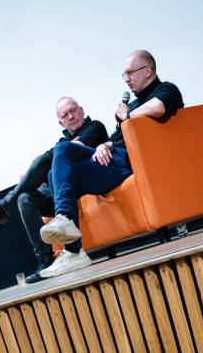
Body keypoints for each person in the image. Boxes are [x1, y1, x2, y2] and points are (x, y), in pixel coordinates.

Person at [39, 49, 184, 278]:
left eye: (130, 73)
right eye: (124, 74)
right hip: (110, 158)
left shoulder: (167, 90)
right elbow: (117, 138)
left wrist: (127, 116)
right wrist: (103, 145)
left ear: (148, 71)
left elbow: (158, 108)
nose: (126, 79)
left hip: (126, 164)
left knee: (62, 155)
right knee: (59, 160)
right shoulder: (132, 105)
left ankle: (70, 239)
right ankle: (72, 244)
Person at [0, 97, 107, 283]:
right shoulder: (62, 140)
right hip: (62, 191)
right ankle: (45, 260)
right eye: (65, 115)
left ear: (81, 110)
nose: (71, 116)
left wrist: (49, 159)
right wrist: (33, 176)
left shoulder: (95, 127)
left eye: (73, 110)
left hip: (87, 181)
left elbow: (68, 150)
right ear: (61, 123)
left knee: (46, 159)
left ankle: (2, 209)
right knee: (25, 199)